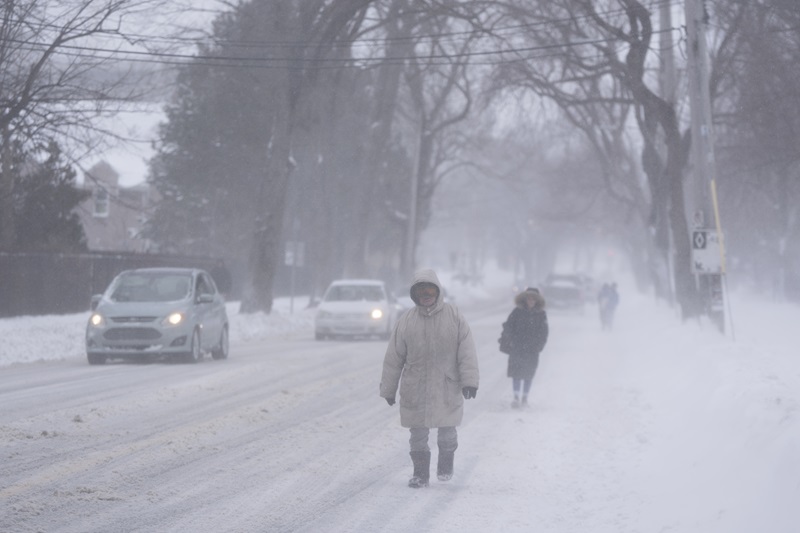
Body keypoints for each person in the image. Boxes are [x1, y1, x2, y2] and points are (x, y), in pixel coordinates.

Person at [380, 269, 479, 489]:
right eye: (421, 290)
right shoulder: (406, 321)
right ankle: (420, 474)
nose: (426, 294)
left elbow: (467, 351)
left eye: (430, 289)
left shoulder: (454, 317)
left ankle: (445, 465)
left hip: (447, 386)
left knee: (447, 433)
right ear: (414, 294)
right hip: (415, 388)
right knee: (417, 435)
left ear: (438, 291)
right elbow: (393, 358)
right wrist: (388, 389)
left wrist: (470, 380)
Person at [503, 287, 548, 408]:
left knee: (529, 373)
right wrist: (510, 341)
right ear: (525, 299)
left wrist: (539, 346)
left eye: (533, 299)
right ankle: (516, 397)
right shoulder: (517, 312)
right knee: (516, 372)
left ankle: (525, 398)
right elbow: (508, 326)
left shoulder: (541, 315)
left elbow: (544, 332)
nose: (531, 301)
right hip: (517, 347)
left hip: (532, 350)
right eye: (529, 298)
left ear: (537, 301)